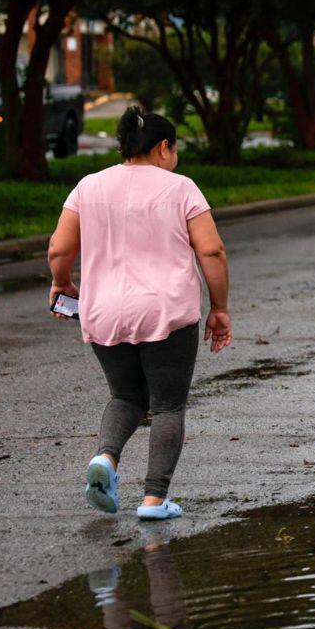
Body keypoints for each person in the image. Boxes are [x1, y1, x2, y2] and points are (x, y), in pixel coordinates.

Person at [47, 107, 232, 521]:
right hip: (166, 311)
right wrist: (219, 308)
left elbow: (59, 249)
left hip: (105, 311)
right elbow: (212, 250)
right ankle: (154, 499)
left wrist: (62, 283)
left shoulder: (88, 187)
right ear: (164, 148)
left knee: (125, 395)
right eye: (176, 149)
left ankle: (106, 459)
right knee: (167, 405)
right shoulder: (180, 188)